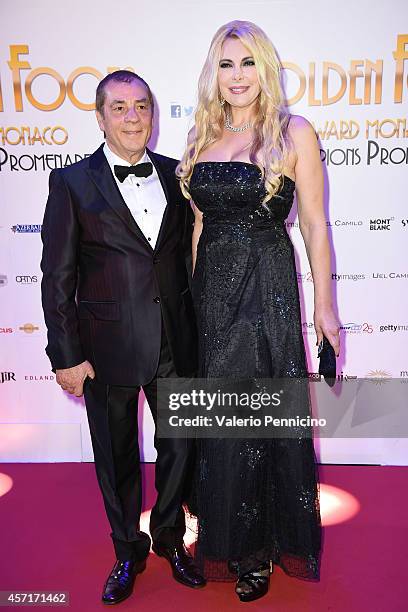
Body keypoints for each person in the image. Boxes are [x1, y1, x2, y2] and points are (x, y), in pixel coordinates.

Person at [176, 21, 340, 602]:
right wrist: (194, 306)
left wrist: (326, 307)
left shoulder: (293, 133)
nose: (237, 76)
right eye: (226, 64)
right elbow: (198, 225)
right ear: (213, 74)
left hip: (265, 289)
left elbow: (316, 224)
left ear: (264, 69)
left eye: (247, 63)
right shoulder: (201, 136)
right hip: (212, 297)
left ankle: (262, 550)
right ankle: (227, 537)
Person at [41, 70, 205, 606]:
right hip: (106, 346)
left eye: (141, 106)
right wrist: (65, 355)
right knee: (116, 459)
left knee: (180, 450)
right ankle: (127, 550)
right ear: (100, 116)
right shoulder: (72, 183)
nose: (133, 117)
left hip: (176, 342)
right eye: (120, 108)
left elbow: (185, 260)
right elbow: (58, 277)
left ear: (153, 115)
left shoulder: (176, 174)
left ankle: (169, 540)